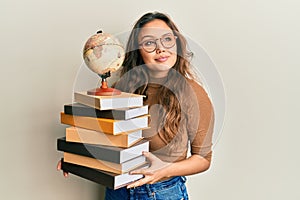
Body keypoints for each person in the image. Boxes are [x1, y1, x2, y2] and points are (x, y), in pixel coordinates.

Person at [58, 11, 214, 200]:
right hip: (117, 190)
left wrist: (165, 169)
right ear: (138, 50)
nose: (160, 49)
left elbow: (203, 159)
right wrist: (78, 157)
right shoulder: (124, 87)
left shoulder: (193, 94)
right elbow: (104, 135)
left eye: (167, 39)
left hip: (161, 192)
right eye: (149, 43)